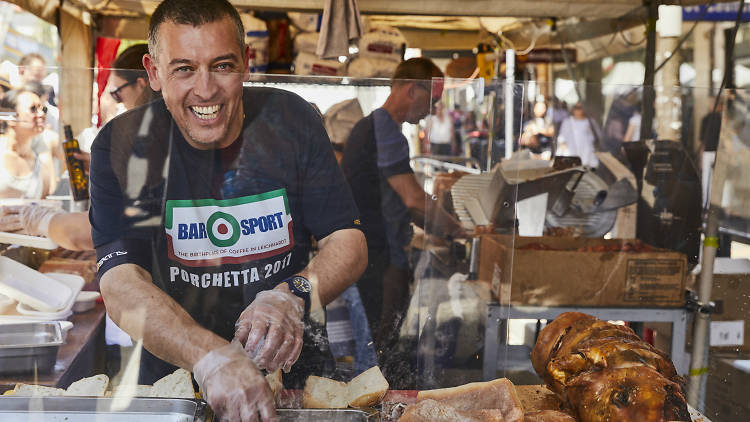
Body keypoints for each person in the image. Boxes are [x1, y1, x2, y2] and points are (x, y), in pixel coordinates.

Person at [89, 1, 366, 421]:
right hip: (178, 381)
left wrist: (291, 296)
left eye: (222, 66)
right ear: (154, 72)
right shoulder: (125, 144)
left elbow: (348, 241)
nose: (205, 90)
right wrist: (212, 357)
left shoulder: (291, 120)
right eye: (183, 68)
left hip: (291, 377)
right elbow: (121, 284)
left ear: (246, 63)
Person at [340, 58, 462, 368]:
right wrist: (459, 231)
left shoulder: (374, 126)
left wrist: (440, 226)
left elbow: (404, 202)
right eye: (432, 100)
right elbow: (412, 200)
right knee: (376, 350)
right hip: (375, 258)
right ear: (412, 90)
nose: (433, 109)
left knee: (376, 346)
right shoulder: (385, 129)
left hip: (371, 254)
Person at [0, 88, 56, 198]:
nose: (41, 114)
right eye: (33, 109)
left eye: (43, 109)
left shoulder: (40, 167)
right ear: (11, 117)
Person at [557, 103, 601, 168]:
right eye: (576, 108)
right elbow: (562, 138)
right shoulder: (567, 122)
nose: (578, 110)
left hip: (587, 154)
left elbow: (597, 136)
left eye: (580, 108)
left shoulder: (591, 122)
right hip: (571, 153)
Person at [699, 100, 723, 208]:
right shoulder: (721, 119)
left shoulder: (705, 119)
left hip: (709, 152)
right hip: (715, 153)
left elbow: (701, 141)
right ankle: (711, 204)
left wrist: (701, 158)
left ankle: (706, 204)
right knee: (714, 179)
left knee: (706, 179)